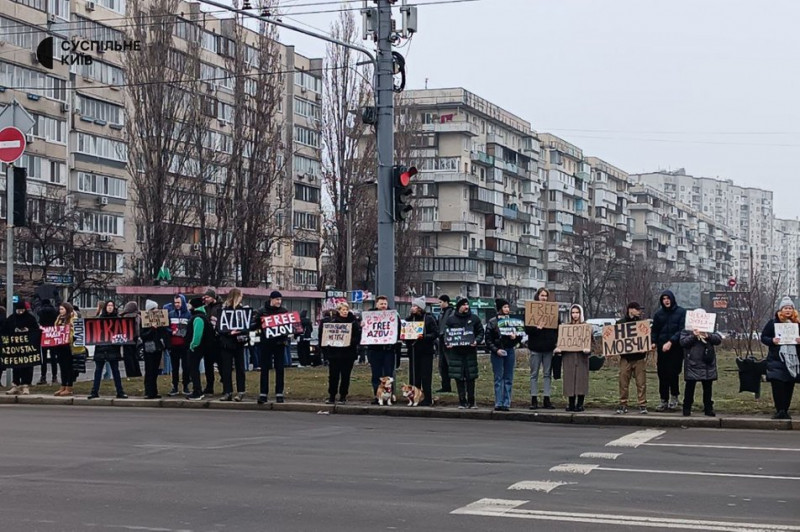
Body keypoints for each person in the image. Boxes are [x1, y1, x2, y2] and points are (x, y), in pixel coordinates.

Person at [760, 296, 800, 420]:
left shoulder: (797, 323)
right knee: (778, 386)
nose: (788, 310)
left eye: (790, 308)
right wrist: (772, 340)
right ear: (781, 310)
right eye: (785, 308)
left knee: (789, 386)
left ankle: (785, 410)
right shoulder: (773, 323)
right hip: (777, 360)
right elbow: (764, 337)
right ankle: (779, 410)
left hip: (793, 361)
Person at [444, 298, 485, 409]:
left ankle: (472, 401)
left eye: (467, 304)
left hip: (470, 353)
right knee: (459, 378)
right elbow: (446, 334)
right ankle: (462, 401)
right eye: (463, 305)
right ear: (459, 307)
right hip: (456, 353)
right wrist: (448, 342)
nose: (466, 307)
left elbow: (481, 332)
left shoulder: (474, 319)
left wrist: (477, 340)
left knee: (470, 378)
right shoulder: (451, 320)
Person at [651, 290, 687, 411]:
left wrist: (671, 341)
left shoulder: (681, 312)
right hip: (662, 349)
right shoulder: (658, 314)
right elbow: (655, 330)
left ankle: (674, 397)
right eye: (664, 298)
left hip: (676, 349)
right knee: (662, 374)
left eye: (668, 298)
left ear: (672, 299)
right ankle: (663, 400)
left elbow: (682, 330)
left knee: (673, 374)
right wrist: (653, 342)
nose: (666, 300)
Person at [319, 302, 361, 404]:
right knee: (333, 376)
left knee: (345, 376)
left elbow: (358, 337)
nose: (345, 312)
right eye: (343, 310)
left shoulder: (353, 322)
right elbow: (325, 336)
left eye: (346, 310)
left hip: (348, 354)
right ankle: (332, 396)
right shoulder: (332, 322)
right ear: (338, 311)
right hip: (334, 354)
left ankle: (343, 396)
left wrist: (349, 341)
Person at [486, 298, 522, 411]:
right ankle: (498, 402)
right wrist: (496, 350)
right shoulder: (492, 322)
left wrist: (515, 338)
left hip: (509, 350)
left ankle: (506, 402)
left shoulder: (513, 321)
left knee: (508, 377)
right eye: (505, 307)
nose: (507, 309)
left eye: (508, 307)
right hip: (497, 352)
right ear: (500, 309)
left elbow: (520, 335)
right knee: (498, 378)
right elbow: (488, 339)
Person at [679, 320, 722, 417]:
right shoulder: (687, 329)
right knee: (690, 387)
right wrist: (694, 336)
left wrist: (708, 336)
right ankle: (687, 408)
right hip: (692, 362)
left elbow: (718, 339)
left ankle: (708, 409)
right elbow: (683, 342)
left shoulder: (710, 328)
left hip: (707, 362)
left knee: (707, 387)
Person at [525, 287, 558, 410]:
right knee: (534, 374)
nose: (543, 298)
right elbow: (527, 329)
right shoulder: (530, 312)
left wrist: (555, 342)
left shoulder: (553, 312)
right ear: (537, 296)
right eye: (542, 295)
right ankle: (534, 399)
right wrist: (537, 328)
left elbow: (557, 328)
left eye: (545, 296)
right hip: (535, 348)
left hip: (548, 348)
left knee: (547, 374)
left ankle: (546, 398)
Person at [555, 304, 591, 412]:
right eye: (573, 313)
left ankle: (580, 404)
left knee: (581, 380)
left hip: (582, 357)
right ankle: (571, 403)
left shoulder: (586, 327)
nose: (575, 315)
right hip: (569, 356)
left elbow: (591, 343)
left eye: (577, 313)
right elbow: (561, 341)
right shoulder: (565, 327)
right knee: (569, 379)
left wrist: (588, 350)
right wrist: (559, 349)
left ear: (581, 314)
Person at [88, 300, 128, 399]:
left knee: (116, 371)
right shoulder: (99, 319)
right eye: (108, 305)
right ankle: (94, 392)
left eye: (112, 305)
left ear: (114, 307)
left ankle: (120, 392)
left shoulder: (118, 320)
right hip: (101, 348)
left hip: (113, 349)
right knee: (98, 371)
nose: (110, 307)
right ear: (105, 307)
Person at [257, 291, 290, 404]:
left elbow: (289, 326)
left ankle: (279, 393)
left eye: (280, 300)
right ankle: (263, 394)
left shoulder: (283, 311)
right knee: (265, 369)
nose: (279, 302)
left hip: (279, 343)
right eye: (277, 299)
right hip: (266, 343)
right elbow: (255, 325)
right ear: (271, 299)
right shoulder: (262, 311)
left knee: (280, 368)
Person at [616, 302, 649, 415]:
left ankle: (642, 404)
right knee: (623, 382)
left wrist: (646, 347)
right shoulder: (620, 323)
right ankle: (623, 403)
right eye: (638, 309)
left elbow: (646, 339)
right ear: (630, 310)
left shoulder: (641, 324)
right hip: (625, 358)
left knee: (641, 383)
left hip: (639, 358)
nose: (640, 311)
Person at [404, 297, 438, 407]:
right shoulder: (409, 319)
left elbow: (435, 333)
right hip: (413, 351)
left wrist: (424, 337)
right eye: (412, 306)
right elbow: (404, 333)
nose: (413, 308)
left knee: (426, 376)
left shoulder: (428, 319)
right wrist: (406, 338)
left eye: (415, 306)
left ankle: (427, 398)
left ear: (420, 308)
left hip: (426, 351)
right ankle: (414, 396)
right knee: (414, 375)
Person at [217, 288, 249, 402]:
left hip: (238, 343)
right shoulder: (224, 310)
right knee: (226, 369)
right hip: (226, 343)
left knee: (240, 368)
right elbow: (219, 327)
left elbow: (246, 327)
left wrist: (240, 331)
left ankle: (240, 391)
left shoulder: (242, 310)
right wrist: (229, 332)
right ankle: (227, 391)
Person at [4, 299, 41, 396]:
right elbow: (5, 330)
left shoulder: (30, 318)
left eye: (21, 310)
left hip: (27, 348)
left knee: (27, 367)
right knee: (15, 367)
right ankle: (15, 385)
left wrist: (28, 330)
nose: (20, 312)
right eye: (18, 310)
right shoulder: (12, 318)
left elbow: (36, 330)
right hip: (15, 348)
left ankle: (25, 386)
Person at [366, 295, 400, 400]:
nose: (383, 306)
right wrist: (363, 325)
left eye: (385, 304)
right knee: (376, 375)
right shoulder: (370, 315)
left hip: (388, 350)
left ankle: (388, 396)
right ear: (376, 304)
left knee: (388, 375)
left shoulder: (393, 315)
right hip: (375, 350)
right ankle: (378, 396)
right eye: (381, 304)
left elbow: (399, 329)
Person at [186, 297, 215, 400]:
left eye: (189, 304)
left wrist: (192, 345)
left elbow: (197, 335)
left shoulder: (198, 318)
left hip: (197, 348)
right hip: (205, 347)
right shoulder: (204, 316)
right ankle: (200, 389)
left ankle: (197, 391)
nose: (188, 307)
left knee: (194, 369)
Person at [140, 299, 169, 399]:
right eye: (154, 309)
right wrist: (152, 329)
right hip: (149, 349)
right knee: (149, 371)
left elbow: (163, 333)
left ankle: (154, 391)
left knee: (156, 371)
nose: (156, 310)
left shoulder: (159, 320)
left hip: (157, 348)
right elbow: (143, 335)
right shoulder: (144, 321)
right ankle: (149, 391)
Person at [167, 294, 192, 396]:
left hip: (184, 345)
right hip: (174, 344)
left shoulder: (188, 315)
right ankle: (175, 386)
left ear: (183, 302)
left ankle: (186, 386)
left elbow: (190, 328)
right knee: (174, 367)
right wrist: (171, 332)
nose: (176, 304)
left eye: (178, 302)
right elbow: (166, 327)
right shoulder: (171, 314)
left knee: (186, 366)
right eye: (175, 303)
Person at [52, 302, 78, 397]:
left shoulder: (73, 318)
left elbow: (75, 331)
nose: (60, 311)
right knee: (62, 366)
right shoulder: (59, 318)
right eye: (60, 309)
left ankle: (69, 387)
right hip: (60, 344)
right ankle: (63, 385)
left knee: (68, 367)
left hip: (68, 345)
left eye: (62, 309)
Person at [201, 289, 222, 395]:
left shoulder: (220, 307)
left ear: (213, 297)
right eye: (204, 297)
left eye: (207, 297)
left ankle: (226, 385)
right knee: (208, 365)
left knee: (221, 364)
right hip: (208, 340)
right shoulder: (205, 308)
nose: (205, 299)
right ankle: (210, 386)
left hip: (218, 340)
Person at [36, 298, 59, 385]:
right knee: (53, 358)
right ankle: (54, 377)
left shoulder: (41, 311)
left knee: (44, 359)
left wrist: (37, 299)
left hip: (44, 335)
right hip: (52, 335)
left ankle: (43, 377)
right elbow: (58, 305)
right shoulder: (54, 311)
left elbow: (37, 308)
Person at [436, 295, 455, 393]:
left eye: (440, 302)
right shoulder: (441, 313)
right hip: (441, 340)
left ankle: (456, 385)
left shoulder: (451, 312)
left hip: (448, 340)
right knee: (442, 365)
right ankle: (445, 385)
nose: (439, 304)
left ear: (446, 302)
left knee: (450, 363)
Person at [120, 301, 143, 378]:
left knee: (128, 358)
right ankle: (137, 373)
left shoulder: (125, 317)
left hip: (126, 338)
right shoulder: (138, 316)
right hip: (135, 338)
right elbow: (138, 329)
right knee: (134, 356)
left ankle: (130, 374)